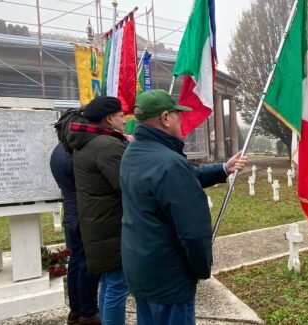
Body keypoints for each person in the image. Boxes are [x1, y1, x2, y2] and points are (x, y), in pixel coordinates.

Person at [120, 90, 247, 325]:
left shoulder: (134, 153)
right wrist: (201, 268)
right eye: (179, 115)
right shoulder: (168, 163)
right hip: (169, 276)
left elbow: (183, 177)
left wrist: (223, 168)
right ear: (166, 118)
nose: (182, 120)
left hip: (141, 265)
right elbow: (193, 231)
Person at [67, 96, 130, 325]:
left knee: (109, 282)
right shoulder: (107, 145)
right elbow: (126, 183)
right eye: (121, 116)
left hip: (97, 223)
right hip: (111, 225)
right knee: (117, 285)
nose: (124, 121)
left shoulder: (86, 143)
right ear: (109, 118)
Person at [50, 108, 101, 325]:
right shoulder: (74, 153)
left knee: (77, 264)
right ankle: (88, 313)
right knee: (88, 266)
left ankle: (76, 310)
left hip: (71, 214)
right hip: (83, 216)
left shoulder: (57, 151)